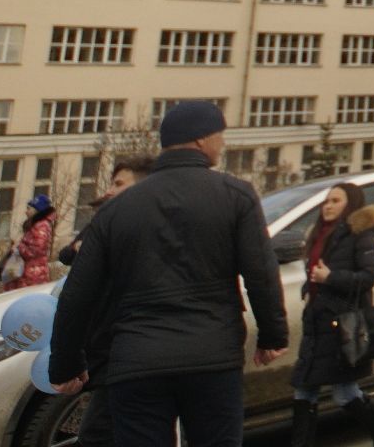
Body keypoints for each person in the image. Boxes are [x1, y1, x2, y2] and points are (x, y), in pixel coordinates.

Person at [48, 100, 288, 447]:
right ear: (203, 140)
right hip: (212, 357)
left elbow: (78, 294)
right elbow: (261, 273)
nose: (222, 144)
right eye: (220, 136)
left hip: (136, 361)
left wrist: (66, 365)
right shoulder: (235, 195)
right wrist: (272, 335)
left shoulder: (116, 210)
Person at [51, 155, 153, 447]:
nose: (109, 190)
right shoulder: (107, 224)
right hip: (116, 361)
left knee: (100, 436)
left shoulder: (136, 237)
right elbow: (67, 255)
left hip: (125, 361)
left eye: (119, 184)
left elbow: (77, 301)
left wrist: (66, 364)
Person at [290, 182, 374, 447]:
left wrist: (330, 278)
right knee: (304, 389)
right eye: (327, 201)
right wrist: (310, 284)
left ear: (350, 204)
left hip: (341, 324)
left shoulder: (359, 234)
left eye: (336, 201)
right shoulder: (320, 234)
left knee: (343, 392)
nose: (328, 206)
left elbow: (370, 275)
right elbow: (316, 270)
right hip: (316, 321)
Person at [3, 194, 57, 289]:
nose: (26, 211)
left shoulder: (41, 226)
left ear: (36, 210)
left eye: (29, 208)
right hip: (29, 273)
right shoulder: (35, 225)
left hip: (33, 276)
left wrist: (19, 247)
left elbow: (37, 250)